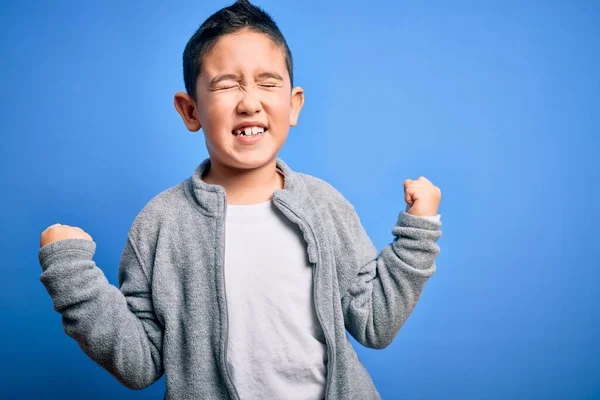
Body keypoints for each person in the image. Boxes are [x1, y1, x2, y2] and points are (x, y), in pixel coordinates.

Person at [38, 1, 443, 399]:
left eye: (268, 83)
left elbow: (375, 323)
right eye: (227, 85)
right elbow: (141, 363)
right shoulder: (160, 224)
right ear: (190, 110)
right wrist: (73, 276)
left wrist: (417, 233)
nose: (250, 102)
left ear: (293, 104)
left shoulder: (325, 205)